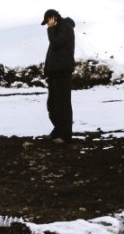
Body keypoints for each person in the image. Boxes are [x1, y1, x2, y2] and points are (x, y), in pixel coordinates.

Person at [41, 8, 76, 144]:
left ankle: (65, 135)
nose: (47, 24)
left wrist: (51, 29)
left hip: (63, 71)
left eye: (48, 21)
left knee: (63, 105)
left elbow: (55, 44)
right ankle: (57, 131)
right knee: (53, 105)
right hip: (54, 72)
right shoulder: (57, 30)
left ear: (53, 18)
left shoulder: (66, 28)